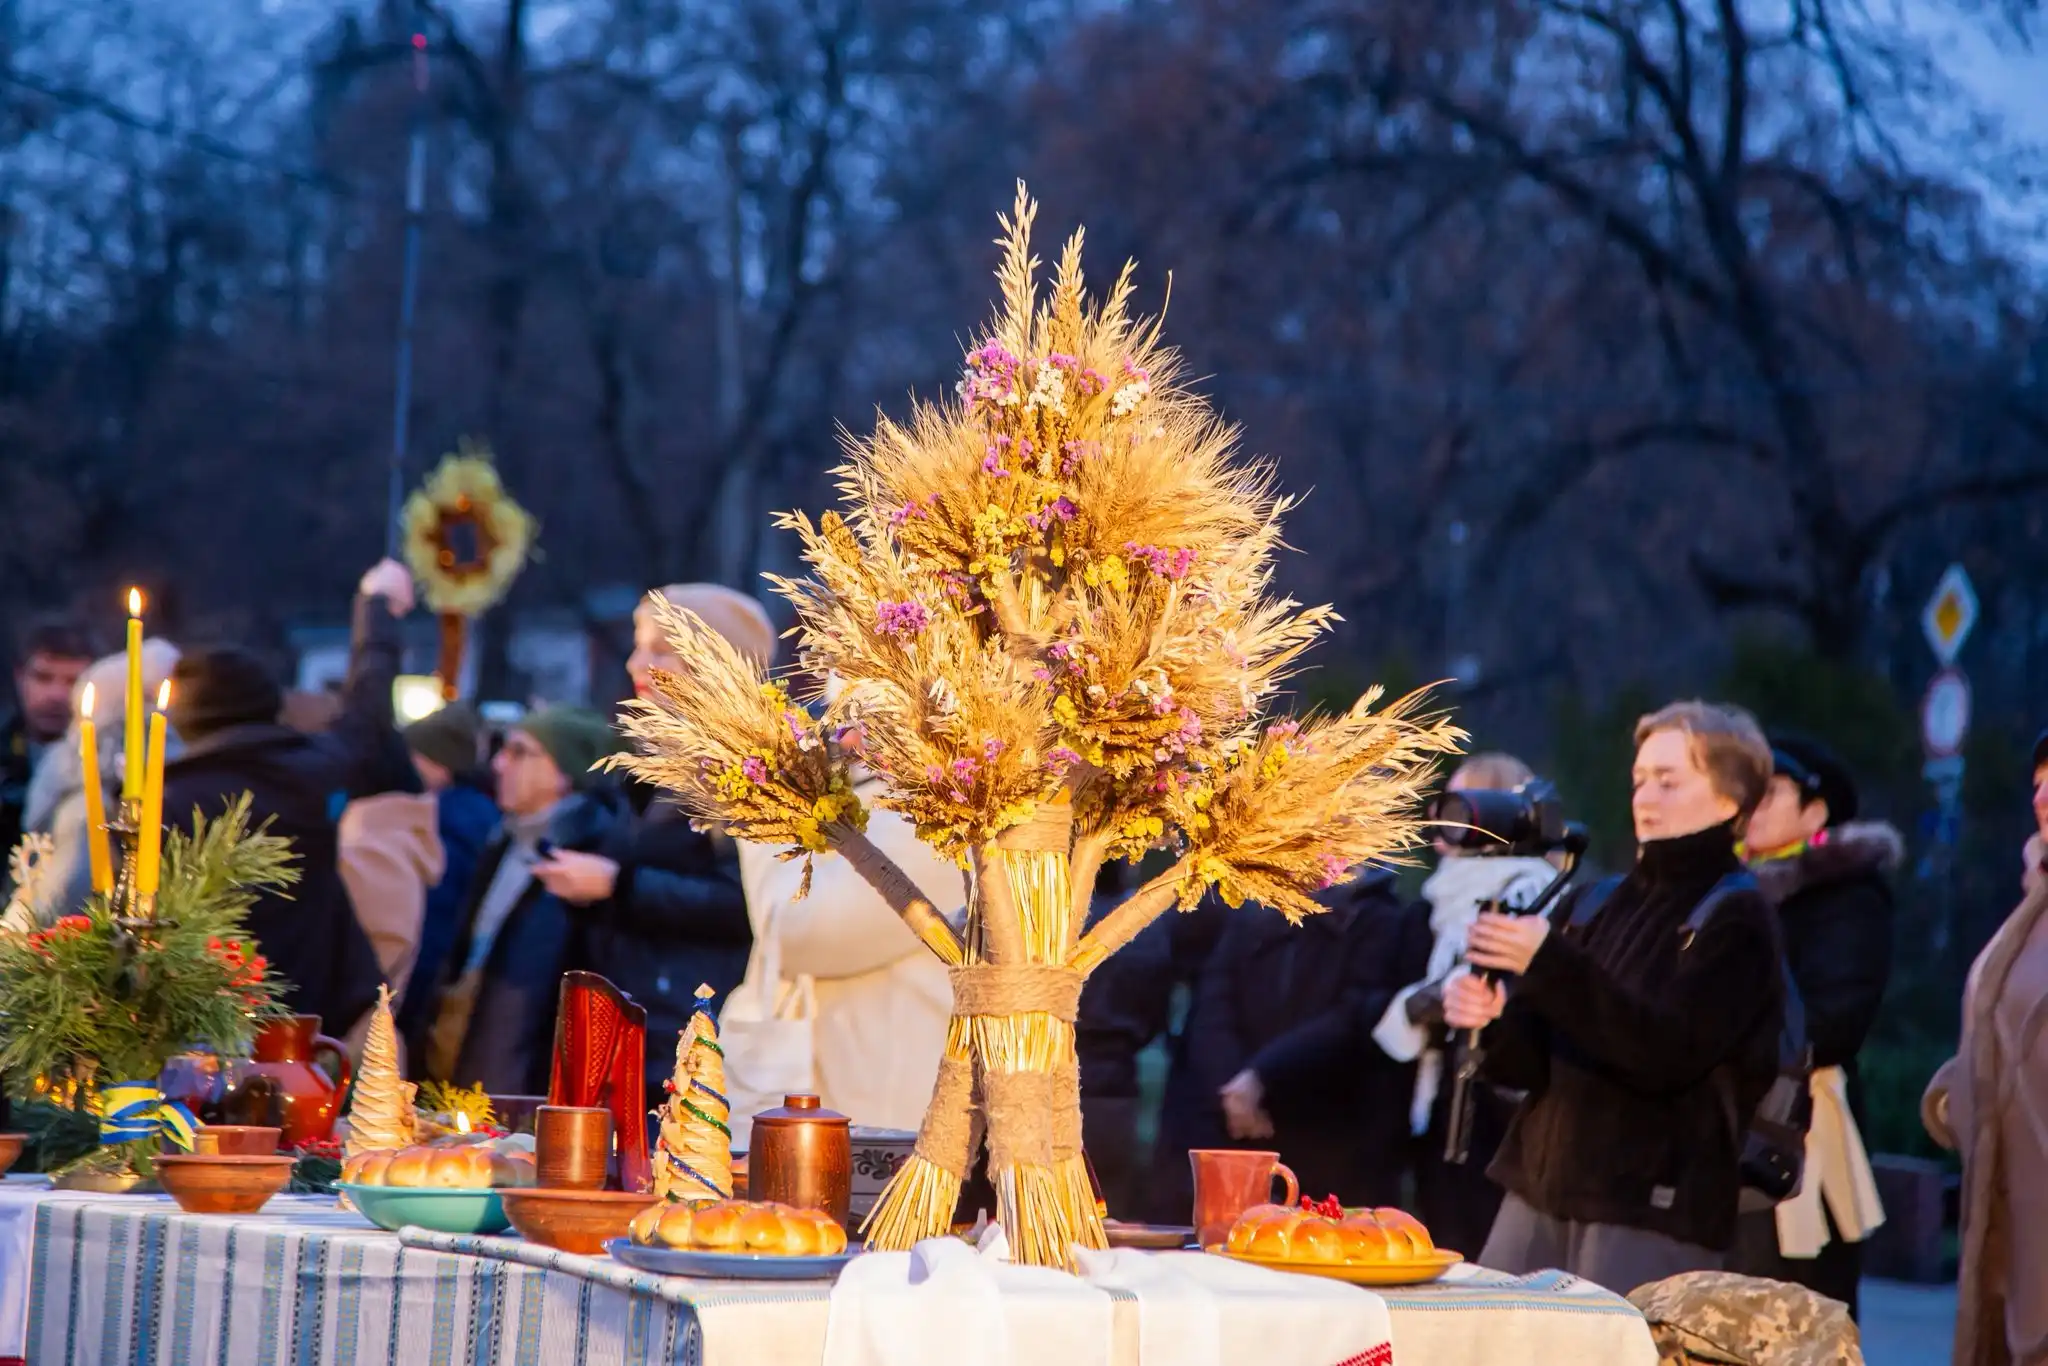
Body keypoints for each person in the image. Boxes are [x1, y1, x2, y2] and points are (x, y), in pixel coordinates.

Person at [1448, 699, 1784, 1293]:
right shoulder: (1598, 899)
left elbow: (1666, 1050)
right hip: (1540, 1190)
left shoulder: (1739, 915)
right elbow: (1532, 1063)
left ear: (1730, 801)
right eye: (1639, 780)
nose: (1645, 797)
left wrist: (1547, 961)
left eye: (1668, 781)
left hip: (1649, 1207)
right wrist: (1496, 1020)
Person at [162, 562, 416, 1036]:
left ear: (185, 717)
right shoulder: (313, 774)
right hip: (317, 1023)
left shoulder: (167, 801)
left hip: (198, 1025)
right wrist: (377, 612)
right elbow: (368, 710)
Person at [1730, 734, 1896, 1318]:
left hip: (1799, 1135)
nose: (1753, 807)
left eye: (1771, 792)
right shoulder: (1727, 889)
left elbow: (1833, 1022)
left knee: (1796, 1318)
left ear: (1817, 809)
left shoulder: (1846, 897)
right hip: (1718, 1137)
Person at [1373, 751, 1559, 1257]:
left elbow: (1497, 987)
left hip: (1495, 1103)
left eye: (1461, 809)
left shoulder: (1527, 889)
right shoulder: (1443, 901)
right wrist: (1426, 1003)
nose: (1442, 825)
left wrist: (1431, 1002)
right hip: (1443, 1096)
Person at [1187, 863, 1430, 1209]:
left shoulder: (1384, 919)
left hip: (1337, 1130)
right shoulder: (1255, 910)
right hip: (1244, 1125)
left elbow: (1357, 1015)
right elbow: (1214, 1002)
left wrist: (1263, 1074)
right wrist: (1232, 1089)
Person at [418, 706, 624, 1094]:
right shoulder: (504, 840)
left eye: (519, 752)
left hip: (525, 1087)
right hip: (460, 1054)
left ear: (565, 774)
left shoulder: (591, 857)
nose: (498, 764)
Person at [1924, 728, 2048, 1366]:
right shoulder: (2032, 907)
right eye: (2037, 781)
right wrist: (1956, 1094)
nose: (2044, 795)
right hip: (2011, 1210)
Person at [21, 639, 180, 917]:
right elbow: (57, 908)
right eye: (44, 677)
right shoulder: (82, 806)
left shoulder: (176, 785)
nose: (57, 694)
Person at [394, 703, 499, 1030]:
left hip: (423, 981)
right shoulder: (476, 812)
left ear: (440, 765)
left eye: (414, 756)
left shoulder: (446, 821)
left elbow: (435, 915)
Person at [2, 616, 96, 865]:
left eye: (72, 681)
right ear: (20, 677)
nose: (56, 695)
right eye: (43, 677)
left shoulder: (108, 765)